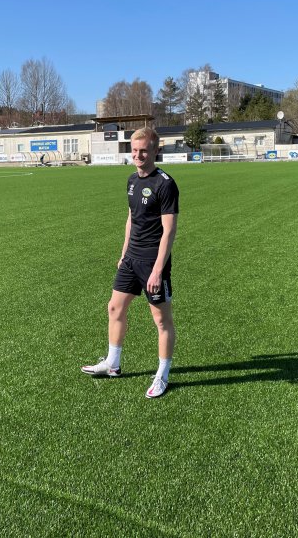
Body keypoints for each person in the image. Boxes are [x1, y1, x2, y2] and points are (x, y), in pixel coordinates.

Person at [81, 128, 179, 398]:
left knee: (161, 320)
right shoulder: (131, 181)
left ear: (155, 150)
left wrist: (158, 269)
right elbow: (131, 219)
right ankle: (113, 363)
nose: (138, 155)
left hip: (152, 261)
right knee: (114, 308)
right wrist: (124, 253)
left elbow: (169, 231)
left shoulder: (165, 184)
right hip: (131, 258)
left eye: (143, 150)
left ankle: (163, 373)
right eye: (134, 150)